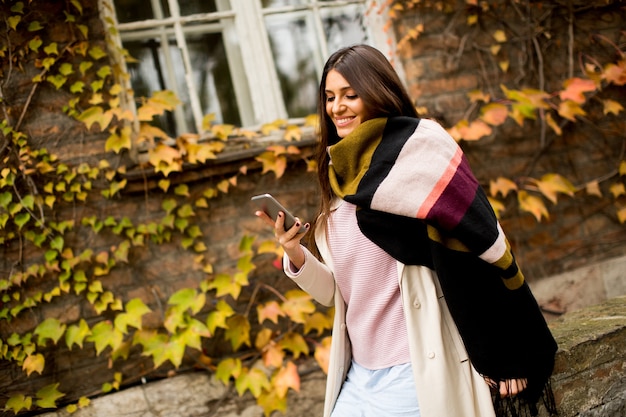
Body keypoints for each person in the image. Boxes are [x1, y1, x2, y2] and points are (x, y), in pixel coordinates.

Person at [255, 44, 558, 417]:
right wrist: (296, 255)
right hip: (359, 375)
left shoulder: (422, 150)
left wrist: (504, 352)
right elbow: (339, 293)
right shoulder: (339, 179)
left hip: (415, 373)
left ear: (378, 93)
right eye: (330, 97)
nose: (338, 107)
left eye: (351, 95)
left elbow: (480, 249)